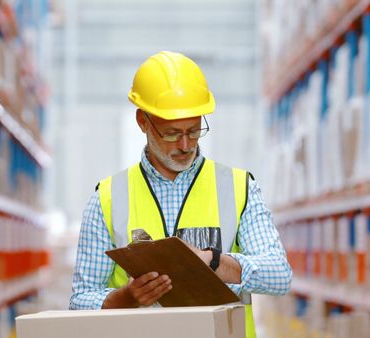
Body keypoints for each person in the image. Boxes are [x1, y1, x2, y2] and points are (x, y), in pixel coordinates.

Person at [69, 51, 292, 337]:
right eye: (172, 133)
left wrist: (213, 261)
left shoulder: (239, 187)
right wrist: (126, 298)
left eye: (194, 130)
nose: (185, 144)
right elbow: (80, 300)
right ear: (143, 122)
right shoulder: (107, 198)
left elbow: (279, 275)